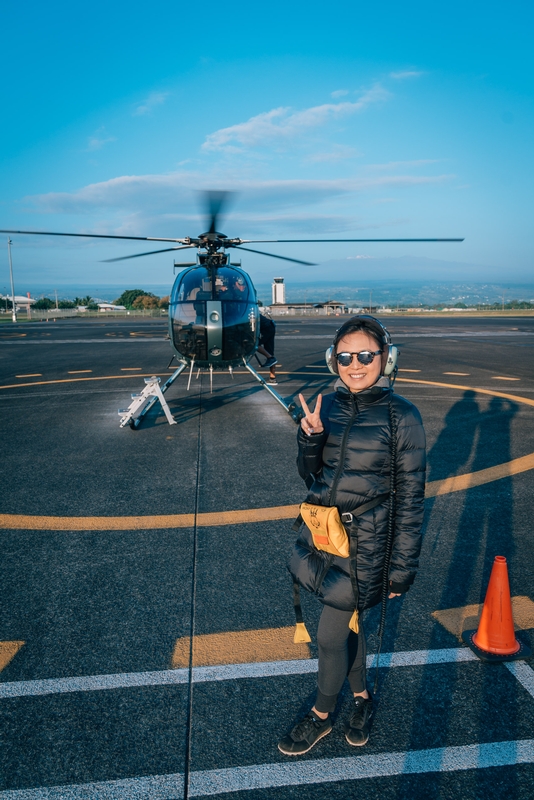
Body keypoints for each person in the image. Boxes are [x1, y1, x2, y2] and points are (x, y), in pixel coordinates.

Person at [278, 315, 426, 756]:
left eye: (366, 355)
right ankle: (361, 697)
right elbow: (311, 477)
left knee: (328, 636)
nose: (355, 365)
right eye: (345, 356)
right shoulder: (327, 406)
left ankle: (321, 715)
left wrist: (401, 570)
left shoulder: (403, 417)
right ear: (332, 360)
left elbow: (411, 500)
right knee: (345, 624)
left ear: (387, 358)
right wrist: (310, 438)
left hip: (366, 546)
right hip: (324, 538)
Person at [258, 310, 278, 382]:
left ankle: (270, 358)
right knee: (270, 352)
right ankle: (272, 378)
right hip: (270, 326)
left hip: (266, 328)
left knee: (254, 344)